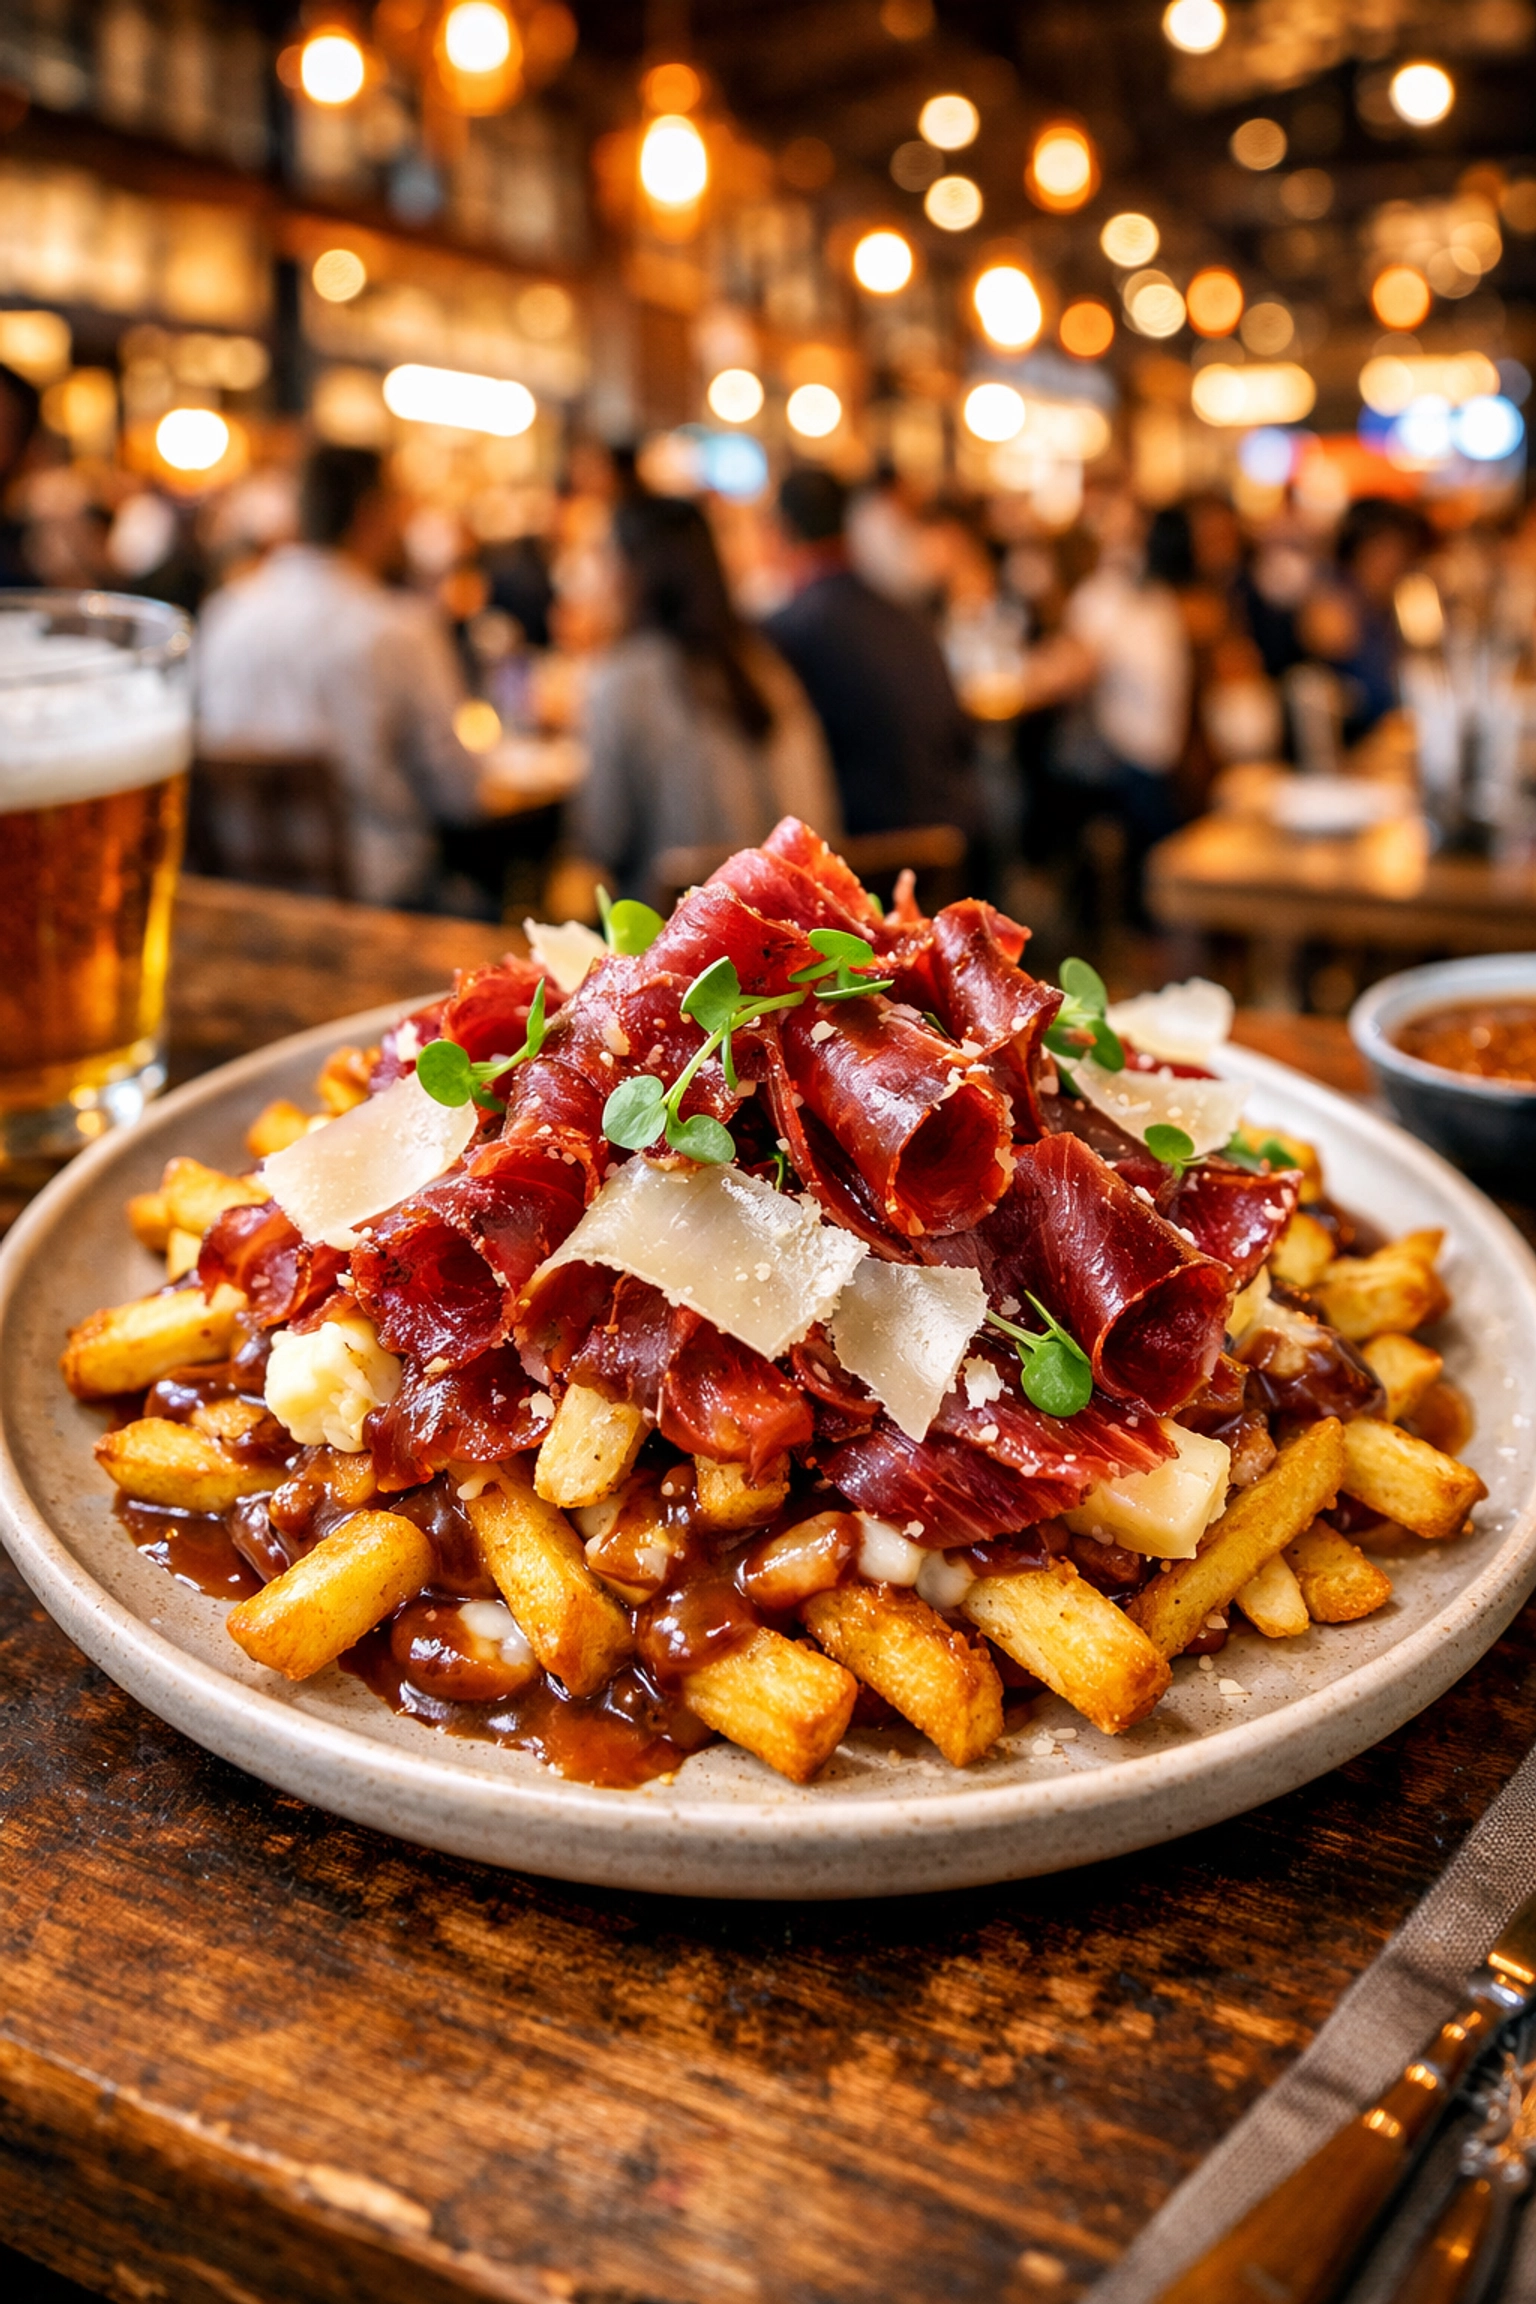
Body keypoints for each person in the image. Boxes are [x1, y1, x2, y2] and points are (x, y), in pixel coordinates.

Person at [196, 445, 482, 907]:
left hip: (240, 897)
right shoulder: (398, 628)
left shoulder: (224, 613)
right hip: (379, 901)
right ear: (372, 513)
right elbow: (461, 794)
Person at [568, 492, 838, 902]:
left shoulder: (621, 681)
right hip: (792, 929)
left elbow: (603, 838)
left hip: (680, 937)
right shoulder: (765, 666)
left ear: (630, 571)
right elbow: (821, 824)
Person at [764, 468, 974, 837]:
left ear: (781, 532)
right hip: (952, 835)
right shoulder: (906, 616)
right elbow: (960, 736)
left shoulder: (786, 632)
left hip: (869, 851)